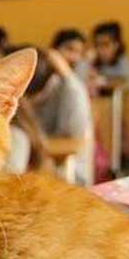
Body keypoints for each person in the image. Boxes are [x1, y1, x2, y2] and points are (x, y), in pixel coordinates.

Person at [26, 48, 94, 185]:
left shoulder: (70, 91)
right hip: (44, 163)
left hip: (68, 171)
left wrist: (65, 71)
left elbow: (72, 141)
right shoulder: (53, 87)